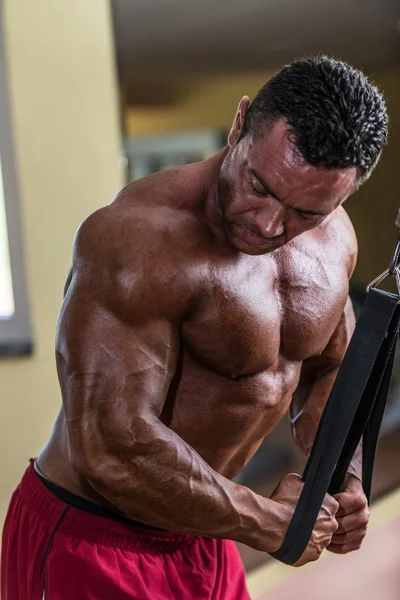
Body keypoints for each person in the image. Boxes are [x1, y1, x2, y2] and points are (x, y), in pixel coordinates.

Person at [1, 56, 388, 599]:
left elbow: (327, 366)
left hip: (208, 530)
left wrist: (340, 475)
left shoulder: (333, 242)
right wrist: (268, 521)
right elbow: (113, 445)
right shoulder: (139, 242)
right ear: (240, 124)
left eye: (308, 212)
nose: (270, 224)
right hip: (96, 539)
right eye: (260, 185)